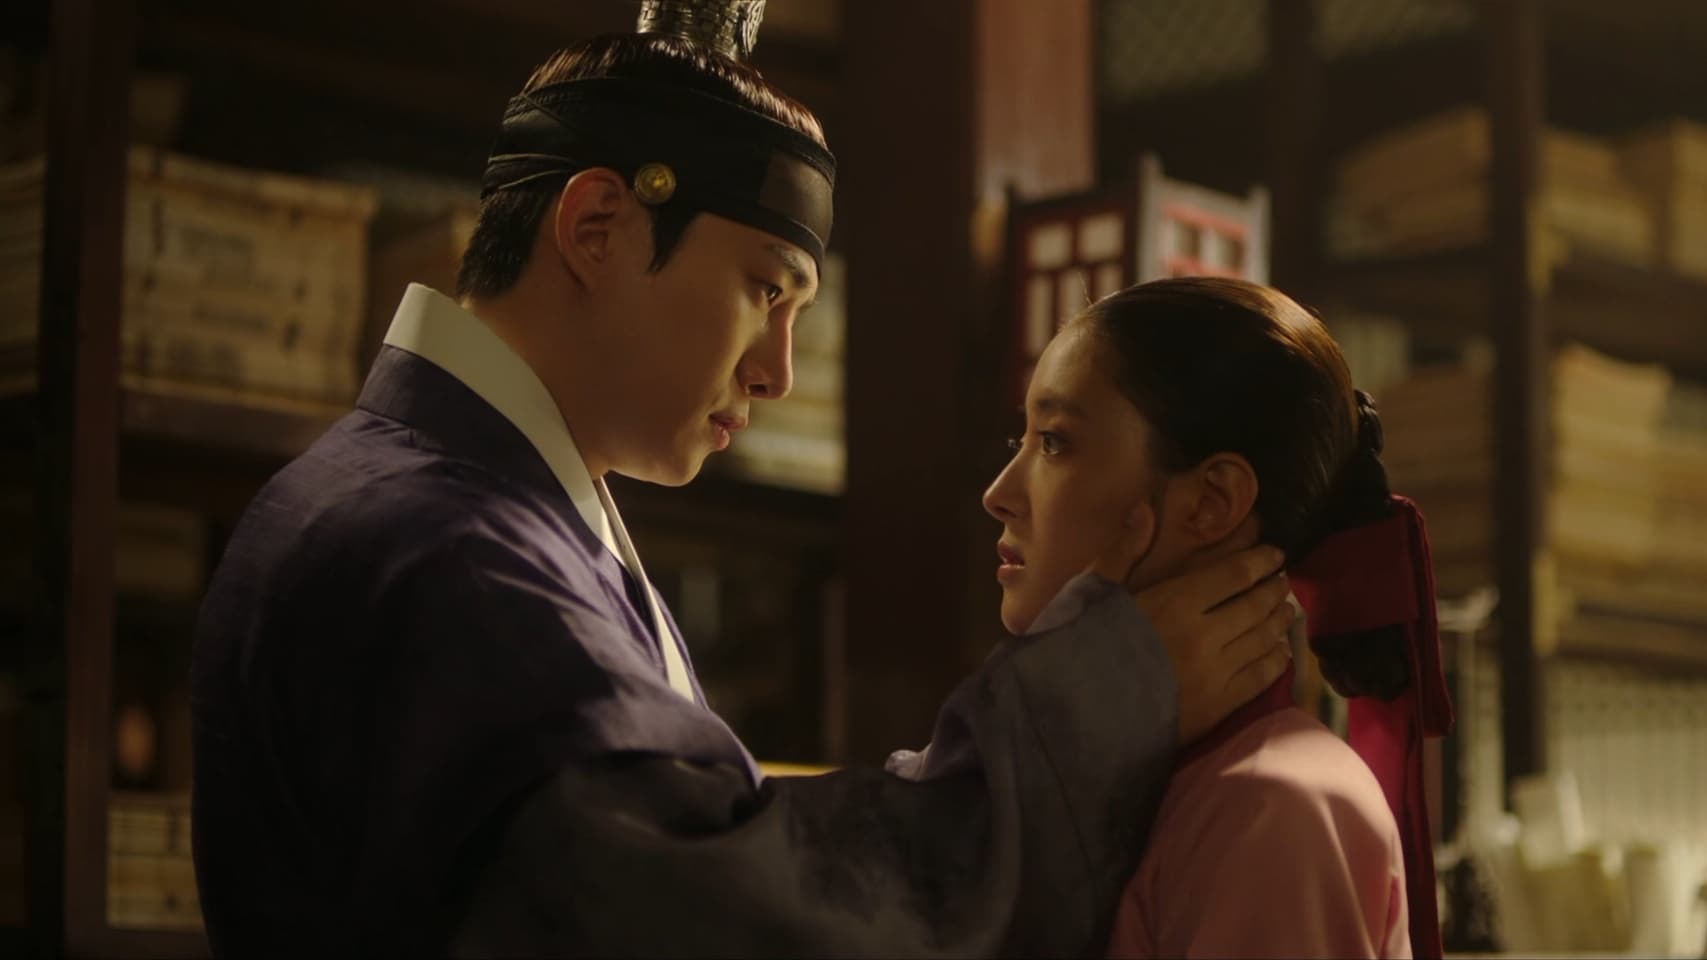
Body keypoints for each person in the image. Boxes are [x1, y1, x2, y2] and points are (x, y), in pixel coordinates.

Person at [189, 4, 1295, 957]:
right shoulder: (451, 553)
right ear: (597, 227)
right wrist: (1105, 696)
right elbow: (741, 917)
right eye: (768, 290)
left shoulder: (417, 499)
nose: (778, 371)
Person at [976, 277, 1453, 959]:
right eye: (1019, 440)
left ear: (1212, 501)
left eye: (1053, 443)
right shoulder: (1091, 771)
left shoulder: (1272, 806)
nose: (998, 494)